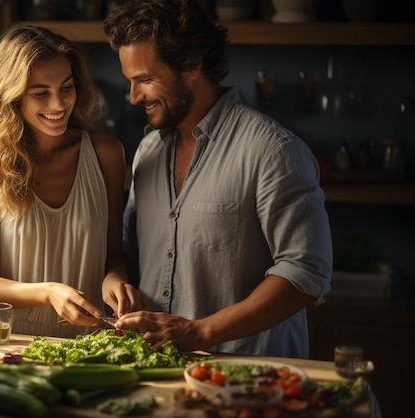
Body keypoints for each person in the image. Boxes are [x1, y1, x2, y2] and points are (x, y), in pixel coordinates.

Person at [104, 0, 333, 358]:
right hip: (157, 372)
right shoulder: (147, 152)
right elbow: (128, 249)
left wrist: (199, 332)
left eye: (145, 80)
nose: (134, 97)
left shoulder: (273, 150)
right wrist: (115, 280)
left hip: (250, 378)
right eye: (130, 82)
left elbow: (305, 272)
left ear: (193, 64)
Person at [0, 25, 148, 338]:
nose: (59, 105)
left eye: (66, 87)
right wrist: (49, 292)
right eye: (40, 94)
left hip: (92, 344)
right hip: (15, 344)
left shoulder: (106, 154)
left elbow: (113, 254)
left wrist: (114, 279)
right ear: (12, 98)